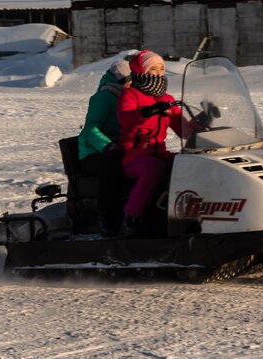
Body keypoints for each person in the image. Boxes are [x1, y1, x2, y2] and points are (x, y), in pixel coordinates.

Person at [116, 50, 183, 235]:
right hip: (134, 156)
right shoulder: (130, 95)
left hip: (159, 153)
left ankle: (182, 215)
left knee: (187, 163)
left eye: (161, 68)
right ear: (141, 70)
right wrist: (146, 112)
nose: (159, 73)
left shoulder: (167, 99)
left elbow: (183, 127)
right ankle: (131, 217)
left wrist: (203, 120)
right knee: (153, 168)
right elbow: (125, 118)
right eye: (153, 68)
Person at [77, 56, 133, 236]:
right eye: (131, 80)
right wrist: (108, 146)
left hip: (118, 147)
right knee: (113, 165)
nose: (134, 84)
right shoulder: (104, 96)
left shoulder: (129, 97)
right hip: (93, 152)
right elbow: (91, 129)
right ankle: (107, 218)